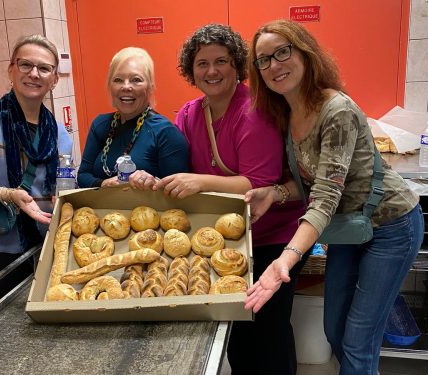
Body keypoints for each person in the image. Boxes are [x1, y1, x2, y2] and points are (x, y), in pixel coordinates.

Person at [245, 19, 423, 374]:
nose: (274, 65)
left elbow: (326, 194)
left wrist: (287, 258)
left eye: (282, 52)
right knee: (335, 328)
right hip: (348, 227)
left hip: (392, 225)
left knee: (358, 339)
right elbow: (313, 180)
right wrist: (275, 192)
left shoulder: (336, 110)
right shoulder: (287, 112)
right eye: (263, 60)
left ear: (305, 53)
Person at [153, 24, 306, 375]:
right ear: (190, 71)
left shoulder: (255, 109)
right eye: (201, 63)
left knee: (268, 327)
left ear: (237, 64)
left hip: (271, 236)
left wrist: (199, 182)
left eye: (221, 61)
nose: (211, 71)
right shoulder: (190, 114)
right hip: (228, 239)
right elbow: (174, 168)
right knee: (236, 331)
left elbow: (259, 184)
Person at [0, 35, 72, 306]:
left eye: (44, 68)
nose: (34, 74)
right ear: (11, 70)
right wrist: (7, 194)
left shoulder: (60, 135)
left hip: (49, 245)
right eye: (25, 65)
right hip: (2, 249)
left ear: (54, 79)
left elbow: (64, 184)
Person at [77, 47, 189, 189]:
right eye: (118, 80)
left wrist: (153, 183)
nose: (126, 87)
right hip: (101, 210)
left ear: (150, 87)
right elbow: (82, 176)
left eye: (136, 80)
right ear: (110, 86)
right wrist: (103, 184)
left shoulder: (165, 133)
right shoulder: (100, 124)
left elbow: (178, 193)